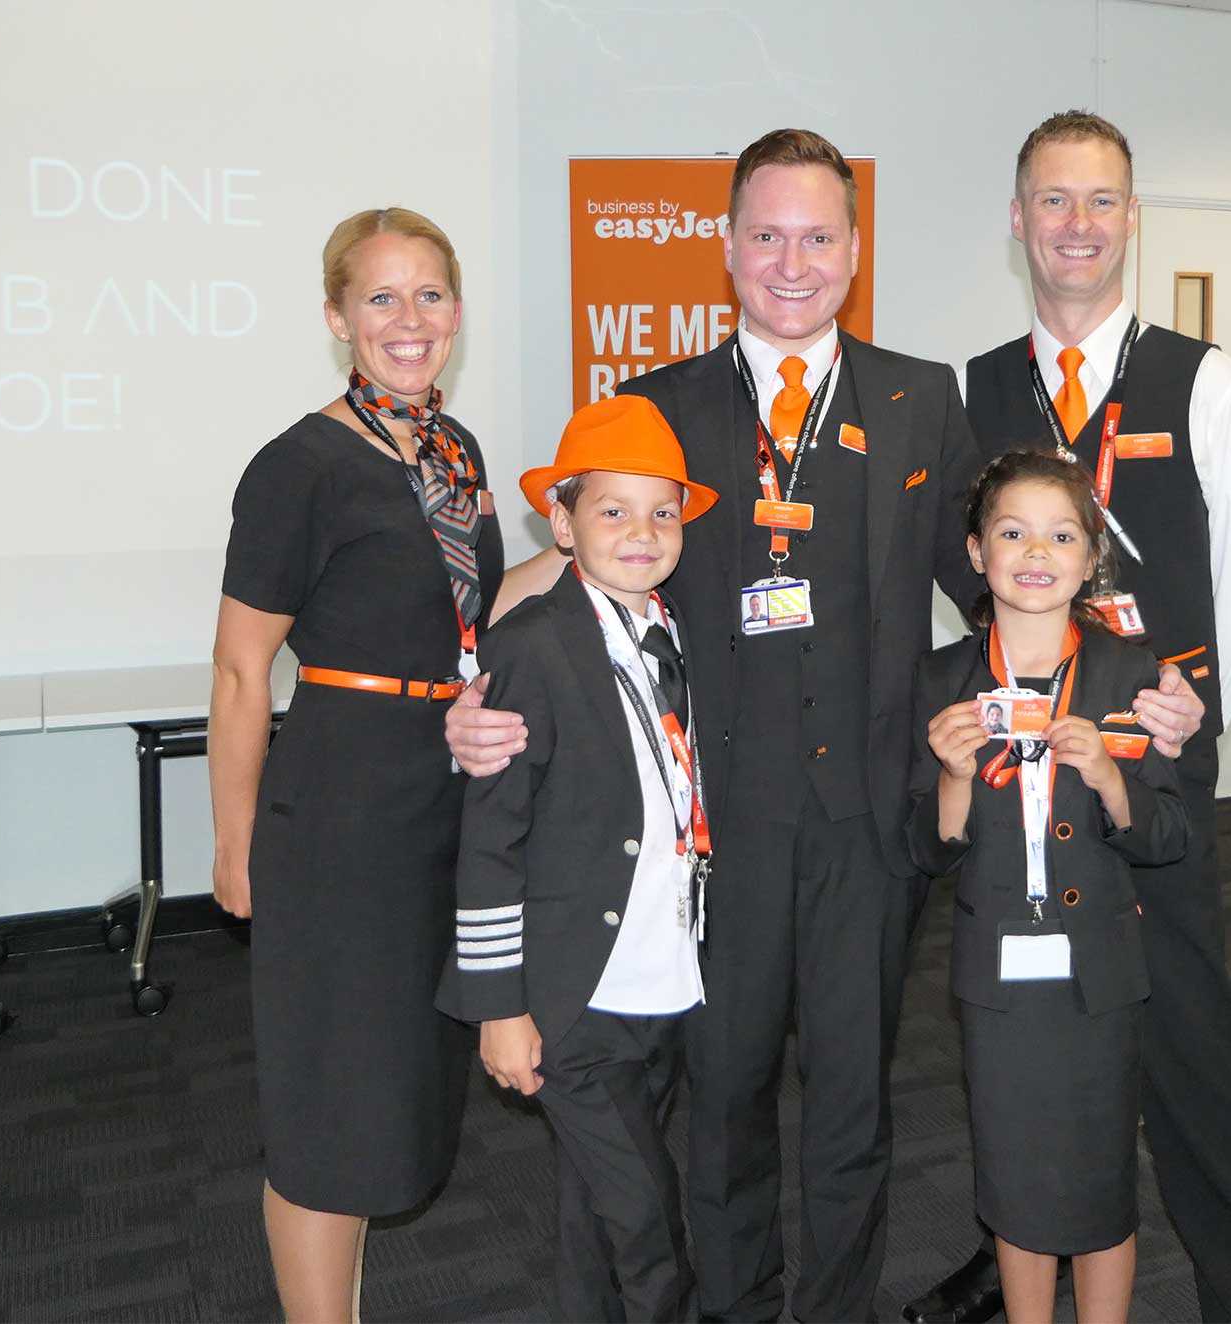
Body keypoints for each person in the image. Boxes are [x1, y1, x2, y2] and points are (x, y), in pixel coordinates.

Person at [456, 126, 992, 1322]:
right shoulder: (659, 406)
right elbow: (572, 563)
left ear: (853, 251)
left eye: (815, 236)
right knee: (726, 1104)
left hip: (869, 831)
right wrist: (477, 689)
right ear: (725, 248)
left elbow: (999, 578)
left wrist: (1100, 678)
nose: (789, 262)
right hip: (715, 834)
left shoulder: (920, 398)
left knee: (855, 1108)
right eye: (765, 236)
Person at [908, 111, 1231, 1324]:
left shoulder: (1203, 380)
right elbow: (954, 556)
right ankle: (1013, 1246)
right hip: (1018, 769)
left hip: (1141, 766)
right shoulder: (973, 389)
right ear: (1016, 219)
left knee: (1183, 1028)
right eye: (1052, 201)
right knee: (1021, 1040)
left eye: (1100, 202)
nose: (1075, 226)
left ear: (1131, 219)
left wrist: (1191, 704)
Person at [208, 206, 503, 1323]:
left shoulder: (452, 450)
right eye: (380, 297)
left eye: (429, 294)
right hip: (337, 810)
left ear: (457, 312)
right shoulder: (298, 465)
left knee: (397, 1087)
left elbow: (463, 616)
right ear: (337, 317)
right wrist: (235, 846)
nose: (409, 319)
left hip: (441, 798)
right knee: (332, 1100)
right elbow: (242, 672)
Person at [437, 394, 720, 1323]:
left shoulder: (676, 635)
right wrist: (499, 1008)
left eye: (662, 512)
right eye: (612, 510)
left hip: (664, 979)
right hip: (573, 997)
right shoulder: (534, 644)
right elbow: (491, 836)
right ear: (560, 523)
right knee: (649, 1227)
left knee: (594, 1220)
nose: (642, 532)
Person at [911, 449, 1189, 1324]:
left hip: (1098, 974)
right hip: (998, 981)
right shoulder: (941, 681)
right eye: (1012, 532)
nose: (1037, 552)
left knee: (1103, 1179)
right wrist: (952, 780)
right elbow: (919, 850)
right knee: (1016, 1177)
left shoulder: (1129, 674)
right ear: (976, 553)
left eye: (1061, 534)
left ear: (1090, 555)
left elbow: (1171, 835)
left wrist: (1111, 782)